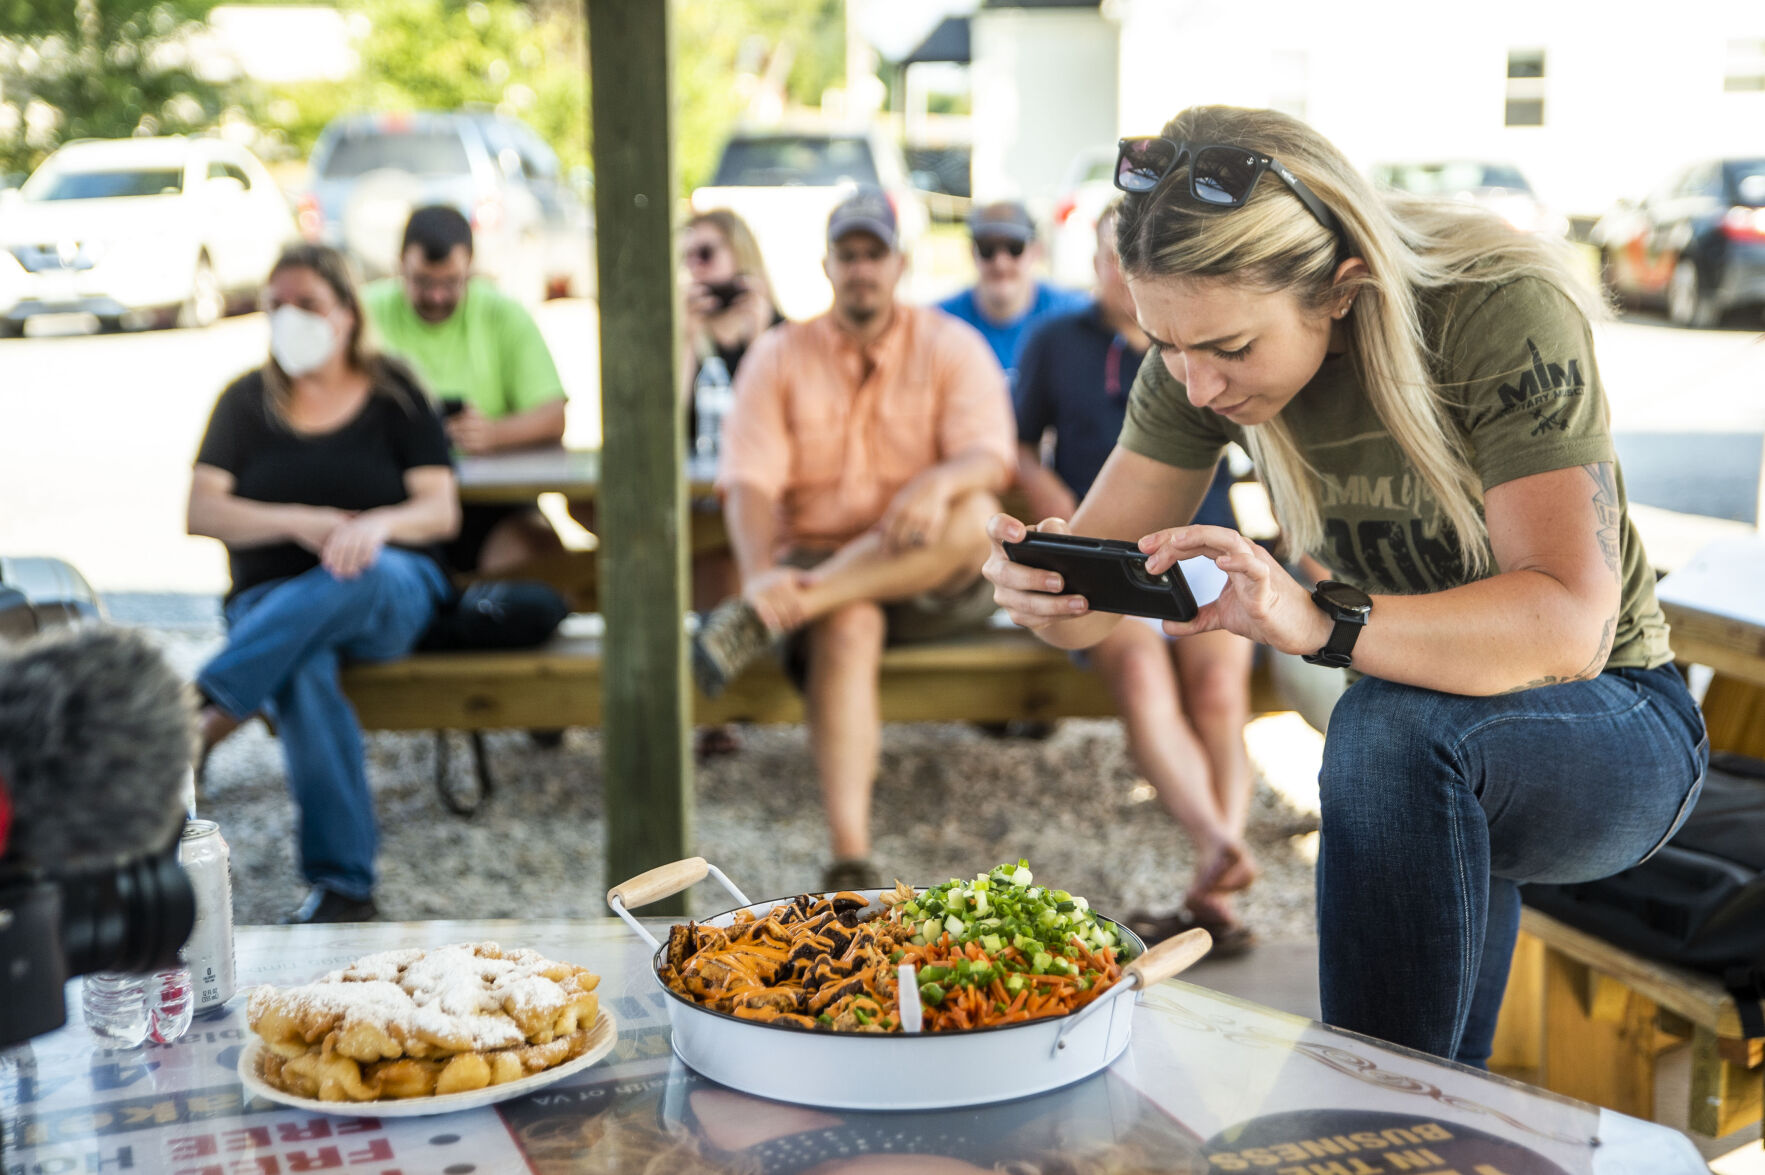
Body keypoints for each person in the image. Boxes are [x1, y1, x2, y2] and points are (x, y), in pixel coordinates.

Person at [982, 106, 1708, 1067]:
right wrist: (1045, 585)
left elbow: (1566, 624)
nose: (1197, 386)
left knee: (1385, 733)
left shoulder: (1494, 309)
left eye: (1230, 350)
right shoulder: (1193, 363)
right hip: (1429, 743)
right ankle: (1404, 1123)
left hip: (1614, 721)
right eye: (1166, 345)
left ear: (1341, 288)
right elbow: (1091, 614)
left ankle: (1352, 1118)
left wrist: (1310, 618)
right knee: (1442, 1083)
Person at [692, 187, 1016, 893]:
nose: (862, 268)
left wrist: (934, 483)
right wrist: (757, 577)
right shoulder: (778, 354)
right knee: (850, 618)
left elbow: (991, 456)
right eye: (849, 254)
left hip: (931, 567)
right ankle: (850, 856)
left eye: (875, 254)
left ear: (899, 263)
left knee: (975, 508)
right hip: (819, 562)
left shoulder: (950, 344)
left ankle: (791, 609)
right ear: (826, 265)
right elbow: (746, 482)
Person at [1014, 200, 1258, 955]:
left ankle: (1214, 874)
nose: (1125, 272)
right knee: (1143, 675)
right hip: (1108, 555)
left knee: (1219, 692)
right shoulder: (1057, 341)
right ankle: (1217, 844)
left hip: (1203, 546)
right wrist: (1067, 517)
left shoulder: (1208, 343)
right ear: (1094, 264)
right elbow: (1017, 446)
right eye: (1113, 257)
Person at [188, 244, 459, 924]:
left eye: (307, 303)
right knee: (303, 666)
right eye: (275, 304)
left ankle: (202, 702)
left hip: (388, 588)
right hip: (270, 602)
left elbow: (439, 508)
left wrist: (376, 526)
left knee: (356, 571)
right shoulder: (246, 401)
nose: (289, 318)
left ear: (346, 312)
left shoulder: (395, 392)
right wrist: (300, 522)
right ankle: (345, 889)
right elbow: (201, 509)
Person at [361, 205, 568, 575]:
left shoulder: (503, 313)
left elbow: (553, 414)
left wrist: (493, 435)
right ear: (399, 267)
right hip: (391, 502)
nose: (437, 296)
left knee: (536, 554)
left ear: (471, 267)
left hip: (490, 504)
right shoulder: (364, 313)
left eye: (451, 282)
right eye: (423, 282)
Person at [936, 199, 1088, 388]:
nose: (1001, 263)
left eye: (1014, 248)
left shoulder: (1073, 315)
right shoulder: (940, 322)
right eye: (987, 249)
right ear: (972, 252)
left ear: (1035, 251)